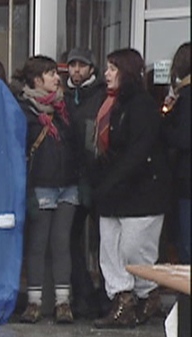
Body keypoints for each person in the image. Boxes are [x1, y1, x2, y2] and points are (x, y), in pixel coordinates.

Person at [91, 48, 171, 329]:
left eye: (113, 68)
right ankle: (121, 299)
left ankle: (146, 293)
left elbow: (139, 151)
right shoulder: (111, 104)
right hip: (113, 191)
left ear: (126, 72)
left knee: (135, 247)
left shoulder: (143, 106)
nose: (107, 74)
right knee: (109, 247)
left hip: (141, 191)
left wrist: (110, 179)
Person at [12, 55, 78, 324]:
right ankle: (35, 302)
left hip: (68, 185)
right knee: (38, 245)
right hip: (40, 186)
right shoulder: (24, 110)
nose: (56, 78)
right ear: (37, 79)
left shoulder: (65, 108)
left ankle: (64, 303)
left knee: (61, 244)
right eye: (50, 73)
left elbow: (76, 145)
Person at [63, 47, 107, 318]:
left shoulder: (102, 95)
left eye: (82, 65)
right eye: (72, 65)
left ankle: (105, 294)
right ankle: (82, 292)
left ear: (92, 68)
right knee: (69, 237)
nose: (76, 70)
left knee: (105, 240)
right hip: (71, 177)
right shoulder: (63, 96)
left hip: (98, 177)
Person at [161, 42, 190, 264]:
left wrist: (164, 120)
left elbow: (182, 138)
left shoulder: (186, 97)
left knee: (185, 245)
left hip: (186, 180)